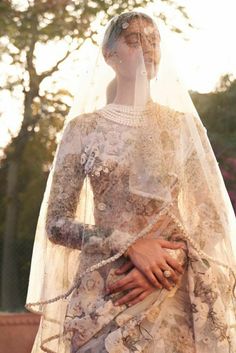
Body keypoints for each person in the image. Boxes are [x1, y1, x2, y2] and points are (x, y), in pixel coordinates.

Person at [26, 11, 236, 353]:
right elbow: (56, 224)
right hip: (107, 289)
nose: (147, 48)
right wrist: (130, 244)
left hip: (172, 291)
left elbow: (212, 220)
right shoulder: (83, 129)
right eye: (134, 40)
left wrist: (167, 267)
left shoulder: (183, 128)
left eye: (153, 40)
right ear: (109, 56)